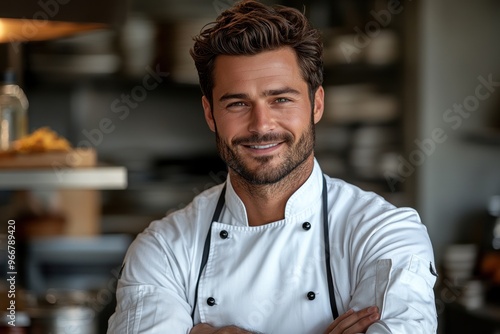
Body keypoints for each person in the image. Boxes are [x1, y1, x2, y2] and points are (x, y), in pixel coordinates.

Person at [107, 0, 438, 333]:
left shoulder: (384, 233)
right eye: (237, 103)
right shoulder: (164, 249)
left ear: (317, 104)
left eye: (281, 99)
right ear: (210, 114)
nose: (261, 125)